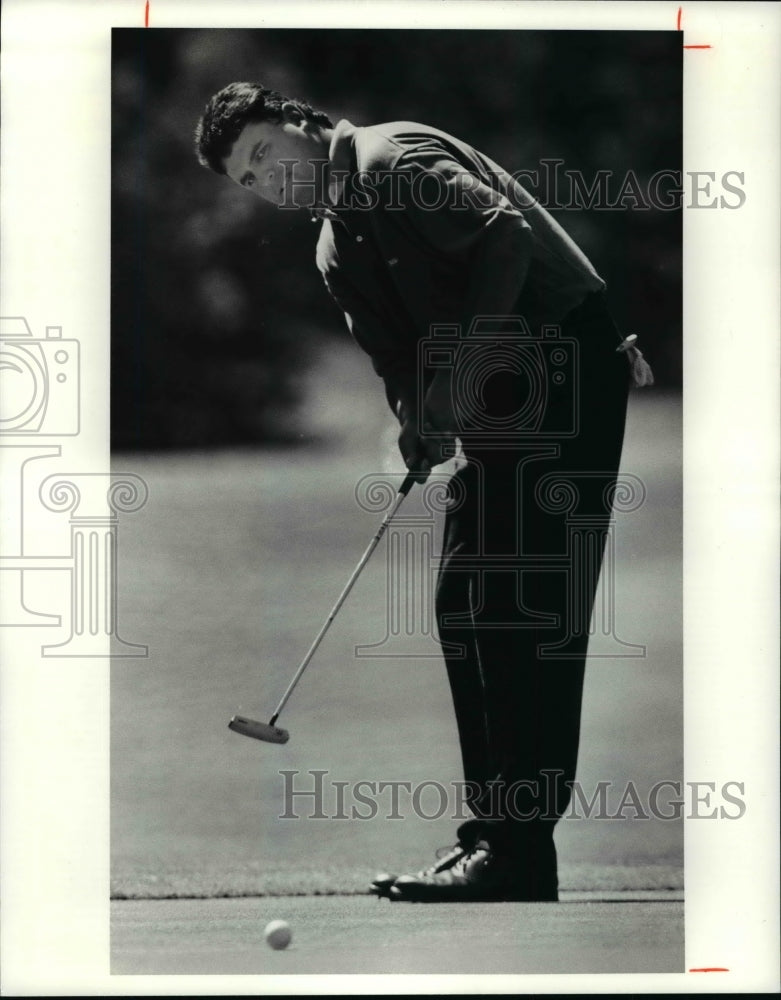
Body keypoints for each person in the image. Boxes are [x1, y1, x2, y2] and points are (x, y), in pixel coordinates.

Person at [194, 82, 652, 903]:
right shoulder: (334, 247)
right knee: (463, 605)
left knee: (524, 610)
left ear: (300, 122)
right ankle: (495, 841)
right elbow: (397, 362)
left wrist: (458, 381)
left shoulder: (390, 159)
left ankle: (516, 850)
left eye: (265, 153)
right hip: (502, 395)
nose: (268, 180)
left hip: (565, 367)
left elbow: (505, 239)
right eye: (248, 180)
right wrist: (416, 420)